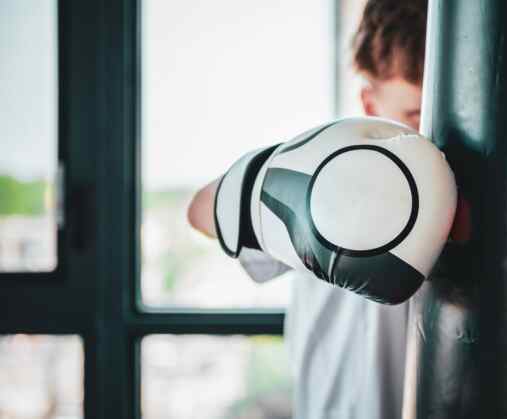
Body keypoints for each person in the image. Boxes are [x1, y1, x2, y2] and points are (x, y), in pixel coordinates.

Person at [186, 1, 428, 418]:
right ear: (370, 105)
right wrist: (293, 187)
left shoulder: (481, 188)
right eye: (415, 115)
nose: (427, 131)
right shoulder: (329, 172)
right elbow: (201, 211)